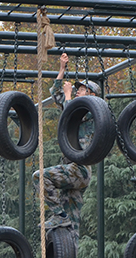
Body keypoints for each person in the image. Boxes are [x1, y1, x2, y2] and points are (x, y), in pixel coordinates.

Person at [33, 52, 99, 237]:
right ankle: (69, 256)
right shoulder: (73, 107)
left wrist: (69, 95)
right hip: (72, 168)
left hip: (80, 169)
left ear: (92, 95)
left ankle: (59, 215)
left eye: (82, 89)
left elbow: (71, 112)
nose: (78, 91)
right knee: (72, 225)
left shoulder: (92, 110)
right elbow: (56, 94)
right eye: (77, 89)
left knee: (40, 177)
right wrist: (62, 69)